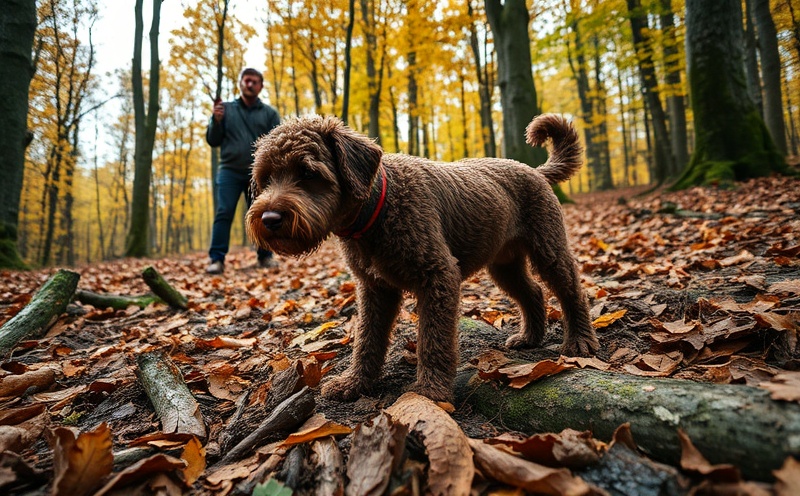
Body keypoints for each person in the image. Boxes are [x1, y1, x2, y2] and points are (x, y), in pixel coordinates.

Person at [205, 68, 280, 274]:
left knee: (263, 213)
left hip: (258, 173)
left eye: (254, 81)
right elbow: (213, 140)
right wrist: (215, 121)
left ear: (260, 86)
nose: (250, 84)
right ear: (240, 83)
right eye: (247, 80)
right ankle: (216, 259)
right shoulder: (225, 109)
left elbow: (277, 143)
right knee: (224, 212)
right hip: (229, 171)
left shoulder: (269, 113)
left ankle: (265, 257)